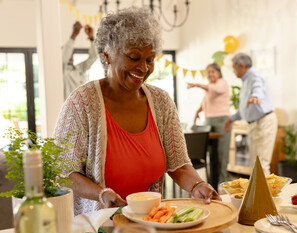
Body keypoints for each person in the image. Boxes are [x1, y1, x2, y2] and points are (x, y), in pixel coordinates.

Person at [53, 7, 220, 215]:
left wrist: (197, 186)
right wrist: (101, 194)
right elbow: (62, 173)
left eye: (150, 60)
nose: (144, 68)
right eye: (134, 57)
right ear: (107, 55)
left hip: (149, 224)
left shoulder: (161, 102)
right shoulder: (80, 103)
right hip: (99, 228)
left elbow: (178, 164)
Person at [224, 53, 277, 175]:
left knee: (261, 163)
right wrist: (231, 119)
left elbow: (257, 88)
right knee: (255, 163)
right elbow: (244, 108)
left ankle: (266, 194)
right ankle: (258, 193)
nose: (233, 71)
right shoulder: (246, 80)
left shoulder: (254, 76)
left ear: (241, 66)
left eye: (234, 67)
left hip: (263, 122)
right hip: (255, 123)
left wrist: (255, 96)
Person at [187, 63, 231, 183]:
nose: (210, 74)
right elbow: (205, 101)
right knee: (211, 152)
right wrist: (197, 111)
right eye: (208, 72)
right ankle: (214, 179)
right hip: (209, 121)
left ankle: (223, 179)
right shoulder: (209, 86)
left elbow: (215, 90)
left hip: (222, 120)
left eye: (213, 71)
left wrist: (197, 84)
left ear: (218, 73)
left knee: (222, 151)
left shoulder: (222, 83)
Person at [62, 21, 97, 100]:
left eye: (72, 52)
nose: (71, 54)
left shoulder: (79, 68)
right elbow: (64, 57)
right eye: (69, 52)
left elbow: (93, 57)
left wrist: (91, 38)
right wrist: (74, 35)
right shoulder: (62, 71)